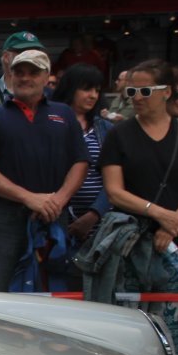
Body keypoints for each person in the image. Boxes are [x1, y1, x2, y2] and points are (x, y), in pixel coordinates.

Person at [98, 60, 178, 355]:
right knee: (127, 333)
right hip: (131, 244)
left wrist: (174, 224)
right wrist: (160, 214)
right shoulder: (119, 134)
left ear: (167, 92)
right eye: (131, 91)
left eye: (145, 91)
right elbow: (114, 191)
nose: (137, 97)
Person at [0, 49, 89, 292]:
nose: (25, 78)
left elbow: (80, 162)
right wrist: (29, 198)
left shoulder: (64, 114)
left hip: (54, 215)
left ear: (47, 77)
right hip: (8, 219)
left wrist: (58, 200)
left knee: (55, 291)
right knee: (1, 292)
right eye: (19, 72)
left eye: (33, 73)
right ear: (11, 76)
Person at [52, 64, 113, 250]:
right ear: (70, 88)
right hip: (56, 217)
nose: (93, 95)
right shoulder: (50, 124)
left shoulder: (105, 129)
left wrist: (94, 213)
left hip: (100, 222)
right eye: (87, 89)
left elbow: (115, 179)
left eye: (97, 90)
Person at [0, 31, 45, 108]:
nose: (30, 57)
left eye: (35, 53)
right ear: (6, 57)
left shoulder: (48, 94)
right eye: (23, 53)